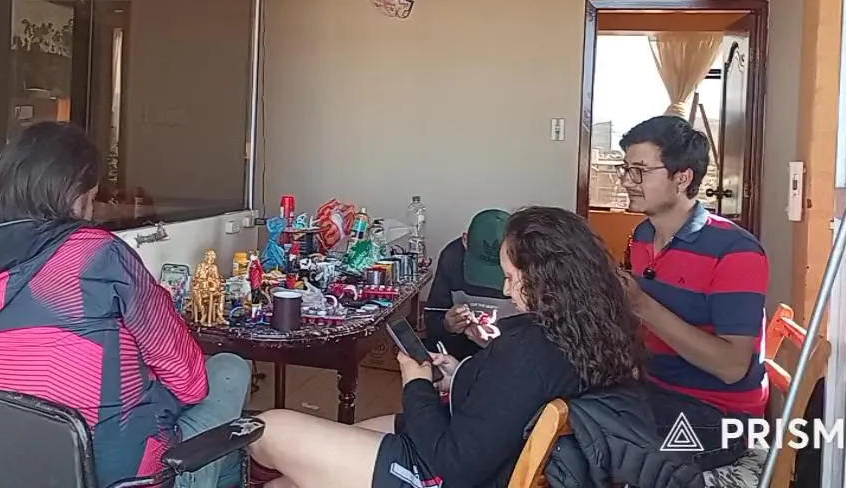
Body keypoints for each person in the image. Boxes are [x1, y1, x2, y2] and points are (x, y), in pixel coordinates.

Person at [0, 121, 251, 488]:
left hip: (23, 473)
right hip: (127, 476)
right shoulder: (96, 253)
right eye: (90, 199)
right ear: (72, 194)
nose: (89, 213)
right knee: (230, 369)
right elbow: (190, 382)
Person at [248, 206, 644, 488]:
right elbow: (510, 397)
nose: (506, 289)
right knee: (292, 477)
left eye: (511, 278)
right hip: (473, 441)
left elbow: (455, 466)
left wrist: (416, 383)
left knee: (268, 431)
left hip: (444, 472)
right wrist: (460, 375)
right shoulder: (583, 331)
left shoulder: (530, 350)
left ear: (548, 277)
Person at [616, 115, 770, 419]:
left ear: (682, 178)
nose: (626, 181)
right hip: (654, 391)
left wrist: (640, 304)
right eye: (625, 169)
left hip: (719, 413)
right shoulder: (643, 235)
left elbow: (732, 368)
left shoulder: (736, 251)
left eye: (640, 171)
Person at [422, 209, 515, 359]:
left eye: (508, 276)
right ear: (465, 240)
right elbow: (433, 319)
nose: (505, 289)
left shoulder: (535, 266)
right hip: (461, 358)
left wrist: (503, 344)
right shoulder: (452, 258)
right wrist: (447, 326)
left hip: (514, 358)